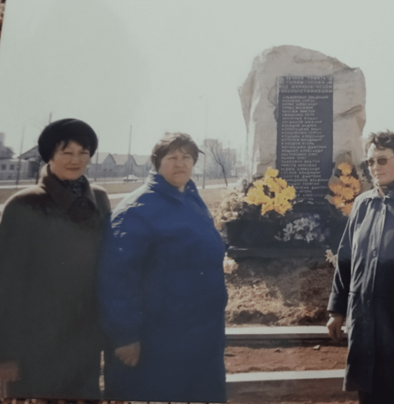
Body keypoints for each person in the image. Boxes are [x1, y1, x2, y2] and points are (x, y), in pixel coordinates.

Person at [97, 132, 227, 403]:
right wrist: (125, 336)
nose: (180, 163)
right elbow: (117, 278)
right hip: (159, 338)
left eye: (187, 157)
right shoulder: (136, 210)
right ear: (157, 163)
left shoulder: (190, 199)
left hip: (200, 334)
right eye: (172, 157)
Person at [0, 119, 109, 399]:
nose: (76, 160)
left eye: (83, 152)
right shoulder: (24, 204)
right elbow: (7, 284)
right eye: (66, 152)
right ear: (50, 155)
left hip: (84, 344)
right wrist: (6, 354)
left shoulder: (99, 199)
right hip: (35, 347)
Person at [327, 131, 394, 404]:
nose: (375, 167)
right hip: (363, 320)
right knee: (368, 392)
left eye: (382, 160)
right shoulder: (362, 203)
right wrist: (337, 309)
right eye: (370, 162)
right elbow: (346, 258)